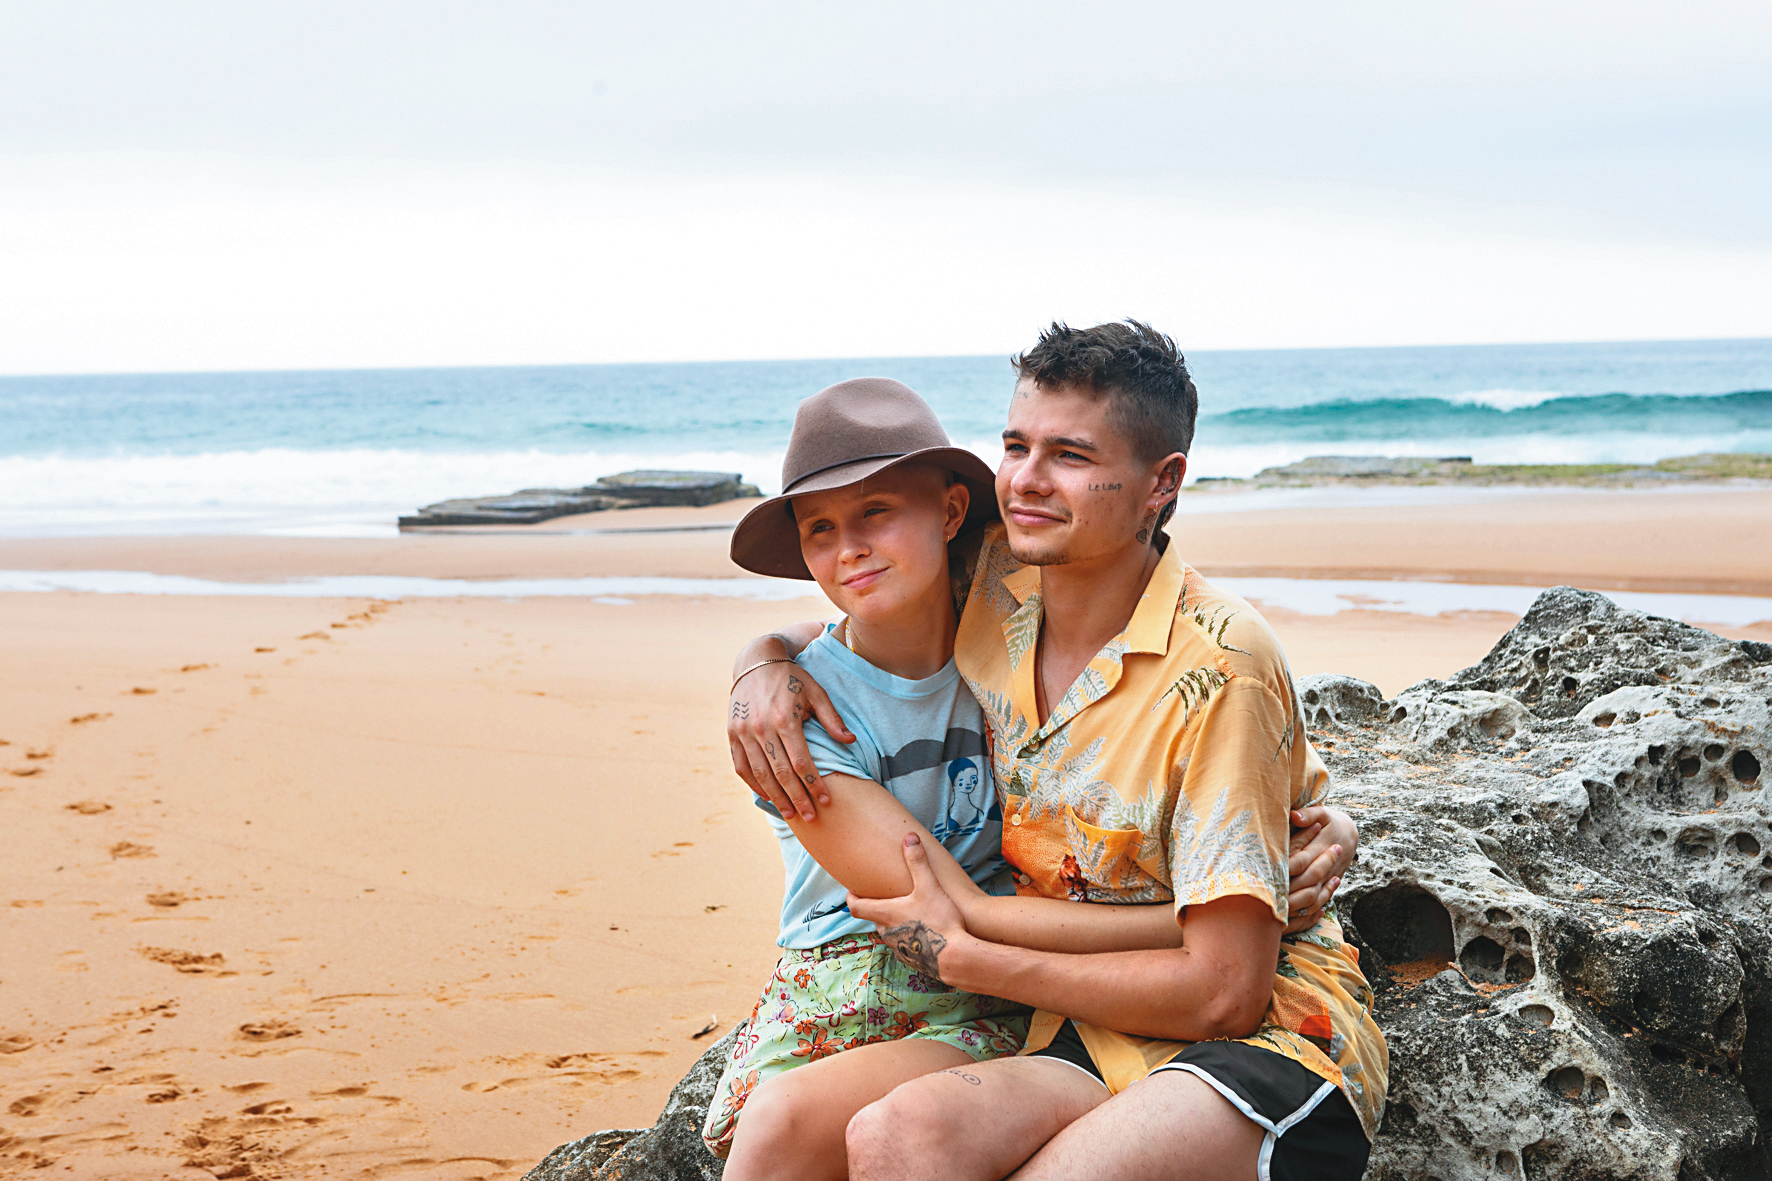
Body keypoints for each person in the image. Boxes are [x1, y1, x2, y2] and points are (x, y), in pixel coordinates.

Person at [728, 323, 1385, 1181]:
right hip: (1074, 1023)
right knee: (896, 1134)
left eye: (1070, 454)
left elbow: (1225, 991)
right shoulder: (999, 579)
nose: (1027, 481)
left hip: (1265, 1037)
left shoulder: (1224, 665)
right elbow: (864, 599)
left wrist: (981, 955)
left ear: (1163, 483)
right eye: (1014, 445)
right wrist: (762, 664)